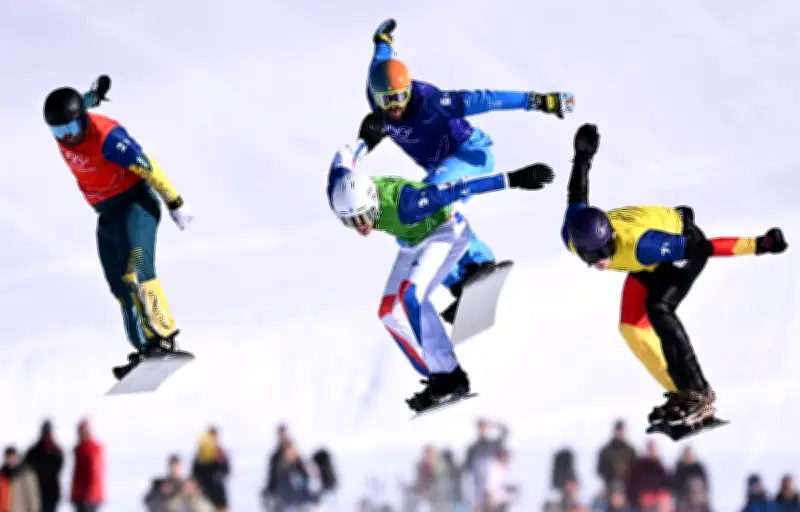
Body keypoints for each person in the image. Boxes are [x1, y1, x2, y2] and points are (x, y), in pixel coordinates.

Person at [561, 123, 788, 428]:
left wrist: (759, 245)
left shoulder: (643, 245)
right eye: (591, 258)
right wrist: (582, 156)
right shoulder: (572, 234)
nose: (601, 262)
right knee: (631, 329)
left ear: (612, 238)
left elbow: (704, 248)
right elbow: (577, 193)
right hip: (644, 262)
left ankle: (700, 392)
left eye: (605, 252)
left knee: (658, 308)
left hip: (680, 245)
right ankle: (682, 392)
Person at [355, 18, 574, 324]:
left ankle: (478, 264)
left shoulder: (431, 102)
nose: (395, 107)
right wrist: (383, 40)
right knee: (416, 226)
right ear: (375, 96)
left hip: (469, 153)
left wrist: (539, 101)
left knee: (424, 206)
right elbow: (381, 56)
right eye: (387, 101)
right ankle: (461, 280)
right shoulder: (376, 87)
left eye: (400, 97)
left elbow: (484, 99)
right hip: (442, 166)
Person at [327, 140, 554, 410]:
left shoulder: (409, 202)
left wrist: (515, 178)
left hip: (447, 230)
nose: (361, 227)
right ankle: (436, 374)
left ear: (373, 201)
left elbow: (460, 188)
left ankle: (450, 377)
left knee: (411, 295)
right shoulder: (340, 189)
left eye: (365, 217)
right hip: (412, 241)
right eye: (350, 221)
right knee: (388, 312)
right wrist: (365, 140)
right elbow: (343, 157)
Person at [42, 75, 194, 380]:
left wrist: (175, 202)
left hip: (135, 204)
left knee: (137, 268)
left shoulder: (108, 138)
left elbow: (148, 165)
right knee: (118, 283)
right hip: (108, 214)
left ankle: (165, 336)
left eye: (72, 128)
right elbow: (82, 104)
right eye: (59, 131)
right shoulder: (69, 125)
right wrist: (93, 95)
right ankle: (145, 347)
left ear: (83, 121)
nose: (67, 137)